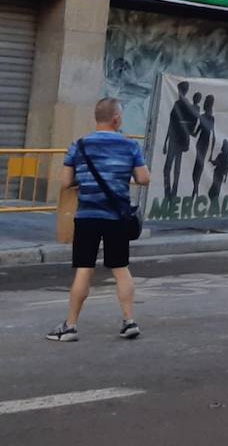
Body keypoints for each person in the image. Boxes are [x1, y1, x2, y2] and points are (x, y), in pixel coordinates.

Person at [48, 97, 150, 343]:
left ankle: (70, 326)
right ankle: (129, 321)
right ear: (116, 119)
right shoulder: (129, 146)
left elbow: (65, 182)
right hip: (117, 217)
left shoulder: (79, 146)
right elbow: (143, 178)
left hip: (87, 216)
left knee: (84, 269)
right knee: (120, 268)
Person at [190, 95, 216, 197]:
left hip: (202, 144)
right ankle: (195, 188)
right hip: (202, 144)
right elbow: (198, 133)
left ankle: (195, 189)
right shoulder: (207, 117)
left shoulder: (206, 117)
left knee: (198, 168)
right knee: (198, 167)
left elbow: (197, 133)